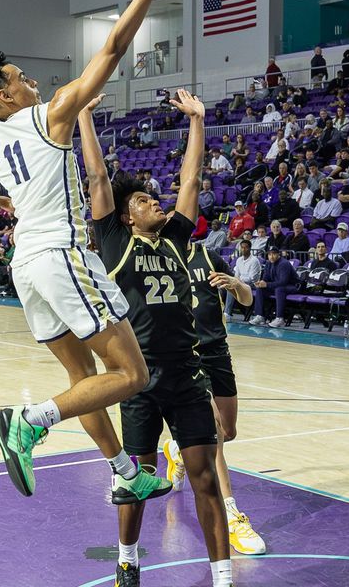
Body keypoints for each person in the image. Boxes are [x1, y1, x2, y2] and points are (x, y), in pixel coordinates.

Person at [0, 0, 178, 503]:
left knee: (85, 380)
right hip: (62, 255)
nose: (31, 82)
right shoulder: (49, 116)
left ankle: (126, 472)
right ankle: (29, 420)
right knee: (132, 376)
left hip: (27, 264)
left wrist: (3, 204)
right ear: (5, 96)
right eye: (20, 78)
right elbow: (115, 49)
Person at [83, 90, 237, 587]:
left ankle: (222, 576)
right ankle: (127, 559)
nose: (158, 203)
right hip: (140, 377)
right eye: (145, 201)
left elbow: (191, 177)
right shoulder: (115, 241)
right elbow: (100, 177)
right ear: (128, 215)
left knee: (205, 477)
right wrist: (85, 115)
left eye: (156, 198)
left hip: (188, 374)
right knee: (136, 481)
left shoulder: (175, 238)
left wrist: (198, 120)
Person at [163, 241, 265, 556]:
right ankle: (232, 514)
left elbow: (247, 300)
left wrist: (236, 284)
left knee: (229, 430)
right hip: (186, 355)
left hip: (218, 351)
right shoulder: (160, 257)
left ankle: (178, 451)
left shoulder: (209, 255)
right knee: (215, 432)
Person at [249, 245, 299, 328]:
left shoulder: (284, 264)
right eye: (269, 254)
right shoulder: (268, 263)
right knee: (260, 289)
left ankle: (280, 318)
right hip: (277, 286)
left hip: (292, 286)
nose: (271, 256)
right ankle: (260, 316)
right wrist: (261, 282)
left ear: (278, 254)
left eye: (274, 254)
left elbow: (283, 282)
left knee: (279, 289)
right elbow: (266, 278)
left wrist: (267, 284)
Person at [223, 239, 261, 321]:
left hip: (253, 285)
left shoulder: (254, 261)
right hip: (241, 282)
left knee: (232, 287)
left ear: (250, 248)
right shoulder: (239, 260)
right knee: (223, 286)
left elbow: (252, 278)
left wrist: (238, 281)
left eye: (246, 247)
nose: (243, 249)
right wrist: (237, 280)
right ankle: (220, 311)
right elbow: (237, 275)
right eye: (242, 247)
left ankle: (227, 314)